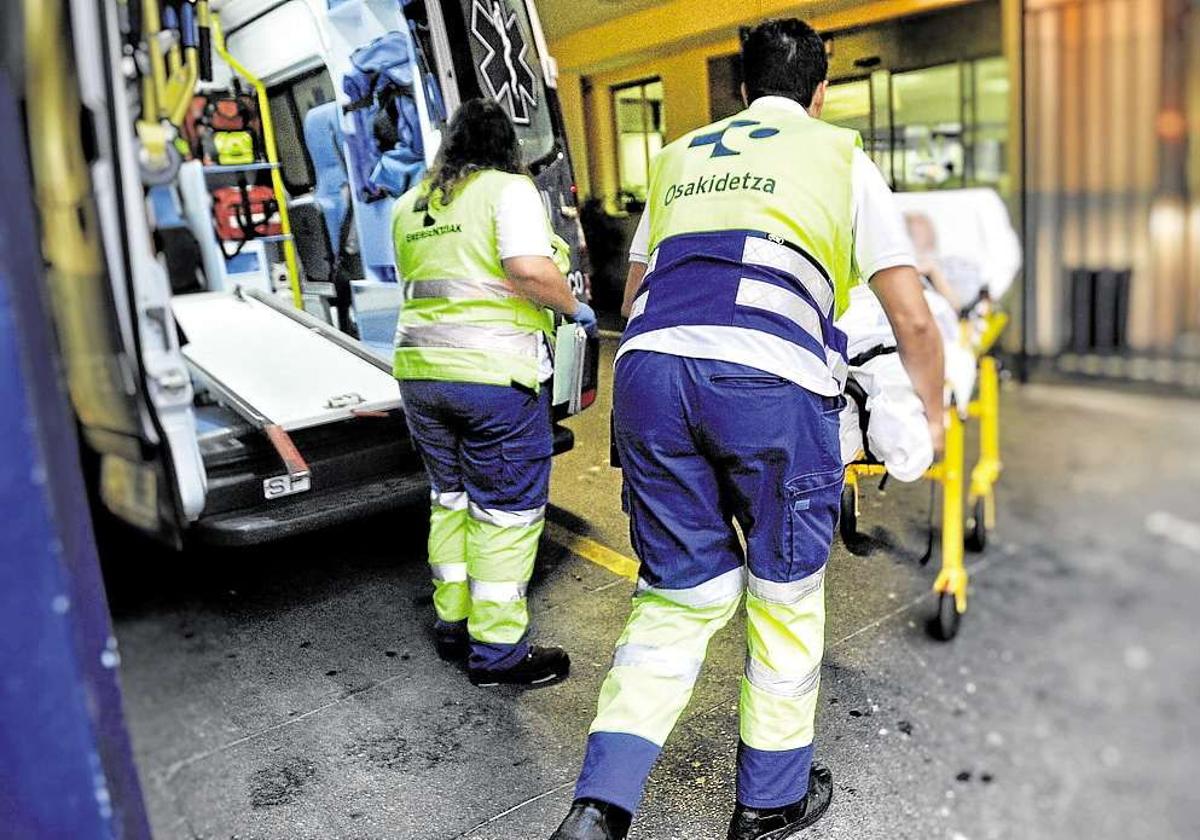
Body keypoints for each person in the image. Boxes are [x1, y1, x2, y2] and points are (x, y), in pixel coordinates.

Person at [552, 19, 943, 840]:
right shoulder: (840, 157)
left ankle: (599, 808)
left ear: (738, 85)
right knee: (785, 597)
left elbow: (633, 300)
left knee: (675, 600)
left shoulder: (678, 156)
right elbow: (911, 317)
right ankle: (767, 802)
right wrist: (929, 418)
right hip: (768, 383)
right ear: (821, 88)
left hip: (651, 374)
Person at [391, 98, 597, 688]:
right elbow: (528, 269)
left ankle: (453, 622)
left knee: (450, 498)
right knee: (505, 515)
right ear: (503, 145)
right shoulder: (507, 189)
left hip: (420, 376)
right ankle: (498, 652)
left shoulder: (411, 204)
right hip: (492, 380)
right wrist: (575, 307)